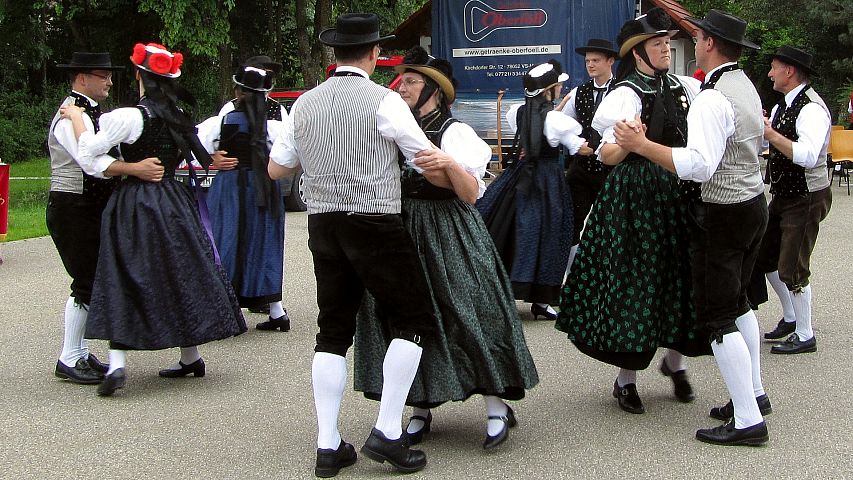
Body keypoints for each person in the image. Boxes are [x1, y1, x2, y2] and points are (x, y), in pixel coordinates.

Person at [268, 14, 436, 477]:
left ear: (336, 54)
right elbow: (421, 157)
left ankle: (328, 445)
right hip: (374, 222)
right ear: (374, 54)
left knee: (334, 330)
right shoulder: (384, 101)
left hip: (324, 224)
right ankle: (387, 430)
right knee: (413, 318)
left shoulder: (303, 105)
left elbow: (277, 169)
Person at [352, 46, 539, 450]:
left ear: (434, 91)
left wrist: (449, 164)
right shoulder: (389, 126)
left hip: (449, 228)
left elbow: (471, 193)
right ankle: (420, 408)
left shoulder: (455, 132)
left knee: (472, 311)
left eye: (413, 81)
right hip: (402, 230)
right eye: (401, 80)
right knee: (406, 319)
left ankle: (495, 405)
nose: (402, 88)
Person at [614, 9, 770, 446]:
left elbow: (699, 166)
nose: (692, 42)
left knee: (719, 317)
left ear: (707, 44)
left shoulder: (711, 97)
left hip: (723, 212)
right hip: (753, 202)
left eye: (697, 37)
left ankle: (746, 420)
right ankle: (754, 395)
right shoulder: (745, 87)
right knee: (739, 304)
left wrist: (643, 145)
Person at [60, 42, 247, 397]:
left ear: (139, 76)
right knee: (179, 271)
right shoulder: (176, 114)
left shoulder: (130, 116)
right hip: (174, 202)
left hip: (135, 202)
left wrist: (76, 122)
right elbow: (196, 159)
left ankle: (117, 364)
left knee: (125, 272)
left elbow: (87, 153)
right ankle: (190, 356)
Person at [555, 7, 703, 415]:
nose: (666, 50)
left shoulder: (683, 87)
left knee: (677, 277)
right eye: (657, 44)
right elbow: (607, 154)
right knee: (635, 281)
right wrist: (629, 143)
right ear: (638, 53)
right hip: (634, 196)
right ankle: (626, 379)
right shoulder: (625, 94)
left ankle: (674, 363)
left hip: (674, 191)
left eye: (666, 43)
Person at [48, 52, 162, 385]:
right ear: (82, 78)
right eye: (104, 76)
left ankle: (78, 352)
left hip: (91, 207)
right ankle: (69, 357)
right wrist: (135, 169)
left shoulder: (90, 114)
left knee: (93, 278)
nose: (110, 82)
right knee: (85, 280)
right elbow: (91, 163)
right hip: (73, 207)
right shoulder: (70, 116)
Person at [476, 60, 584, 320]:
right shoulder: (557, 121)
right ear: (549, 90)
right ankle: (542, 300)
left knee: (509, 229)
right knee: (549, 234)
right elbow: (577, 148)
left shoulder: (518, 112)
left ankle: (500, 290)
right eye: (558, 86)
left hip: (518, 177)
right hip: (548, 181)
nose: (561, 88)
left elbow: (536, 127)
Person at [197, 57, 290, 332]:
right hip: (263, 186)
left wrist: (210, 158)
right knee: (263, 241)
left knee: (225, 239)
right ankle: (276, 312)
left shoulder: (225, 117)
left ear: (239, 91)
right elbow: (287, 151)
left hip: (231, 186)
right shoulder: (275, 118)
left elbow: (195, 143)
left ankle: (224, 309)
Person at [756, 46, 832, 354]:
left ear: (790, 71)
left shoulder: (812, 108)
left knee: (794, 265)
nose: (770, 73)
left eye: (774, 68)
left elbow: (808, 155)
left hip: (807, 196)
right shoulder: (782, 106)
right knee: (765, 256)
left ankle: (805, 334)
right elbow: (766, 140)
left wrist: (771, 135)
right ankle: (790, 317)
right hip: (785, 193)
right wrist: (762, 129)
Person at [557, 38, 617, 273]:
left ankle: (608, 272)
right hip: (581, 169)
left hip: (610, 169)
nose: (590, 65)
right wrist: (576, 145)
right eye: (588, 61)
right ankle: (573, 275)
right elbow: (562, 124)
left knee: (610, 223)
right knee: (571, 220)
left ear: (610, 61)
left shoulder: (623, 90)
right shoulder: (578, 92)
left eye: (596, 60)